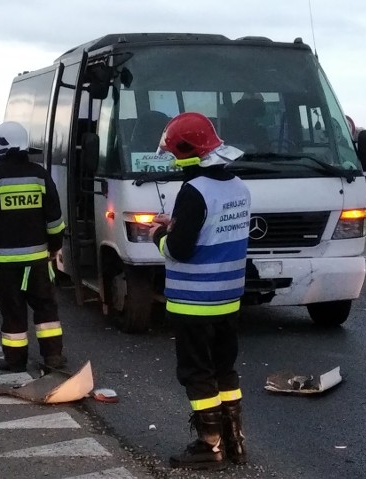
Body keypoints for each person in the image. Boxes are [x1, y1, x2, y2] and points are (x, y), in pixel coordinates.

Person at [149, 112, 251, 469]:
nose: (175, 163)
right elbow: (214, 232)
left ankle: (209, 446)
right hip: (228, 298)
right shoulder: (238, 186)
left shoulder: (193, 191)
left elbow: (179, 250)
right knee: (225, 370)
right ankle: (234, 440)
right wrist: (177, 225)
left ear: (189, 153)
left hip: (194, 301)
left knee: (196, 373)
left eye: (176, 155)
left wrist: (159, 235)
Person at [0, 122, 66, 373]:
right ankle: (53, 357)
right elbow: (55, 218)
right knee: (46, 309)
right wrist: (55, 246)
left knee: (13, 311)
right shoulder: (39, 175)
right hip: (39, 260)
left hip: (7, 264)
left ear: (2, 145)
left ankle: (15, 361)